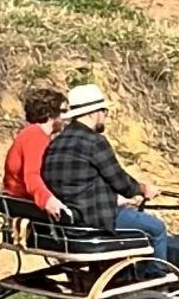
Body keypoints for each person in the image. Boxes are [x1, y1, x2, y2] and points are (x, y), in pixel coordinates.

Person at [41, 83, 168, 269]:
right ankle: (158, 282)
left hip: (67, 221)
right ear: (94, 113)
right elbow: (122, 182)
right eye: (105, 111)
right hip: (94, 219)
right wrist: (144, 189)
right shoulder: (94, 141)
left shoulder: (57, 142)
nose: (106, 115)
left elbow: (80, 184)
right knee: (157, 229)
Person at [3, 88, 71, 220]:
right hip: (24, 204)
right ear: (48, 113)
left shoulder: (33, 135)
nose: (66, 117)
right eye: (63, 111)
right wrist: (48, 200)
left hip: (21, 202)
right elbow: (32, 176)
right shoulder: (35, 136)